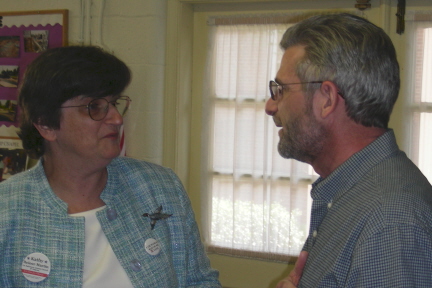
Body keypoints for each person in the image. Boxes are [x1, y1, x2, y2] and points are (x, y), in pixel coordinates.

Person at [0, 46, 220, 287]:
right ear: (46, 125)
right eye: (94, 107)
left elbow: (199, 281)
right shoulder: (8, 211)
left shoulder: (159, 187)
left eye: (114, 103)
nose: (117, 118)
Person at [265, 13, 432, 287]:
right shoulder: (351, 192)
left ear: (327, 99)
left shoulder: (388, 222)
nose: (270, 106)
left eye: (281, 89)